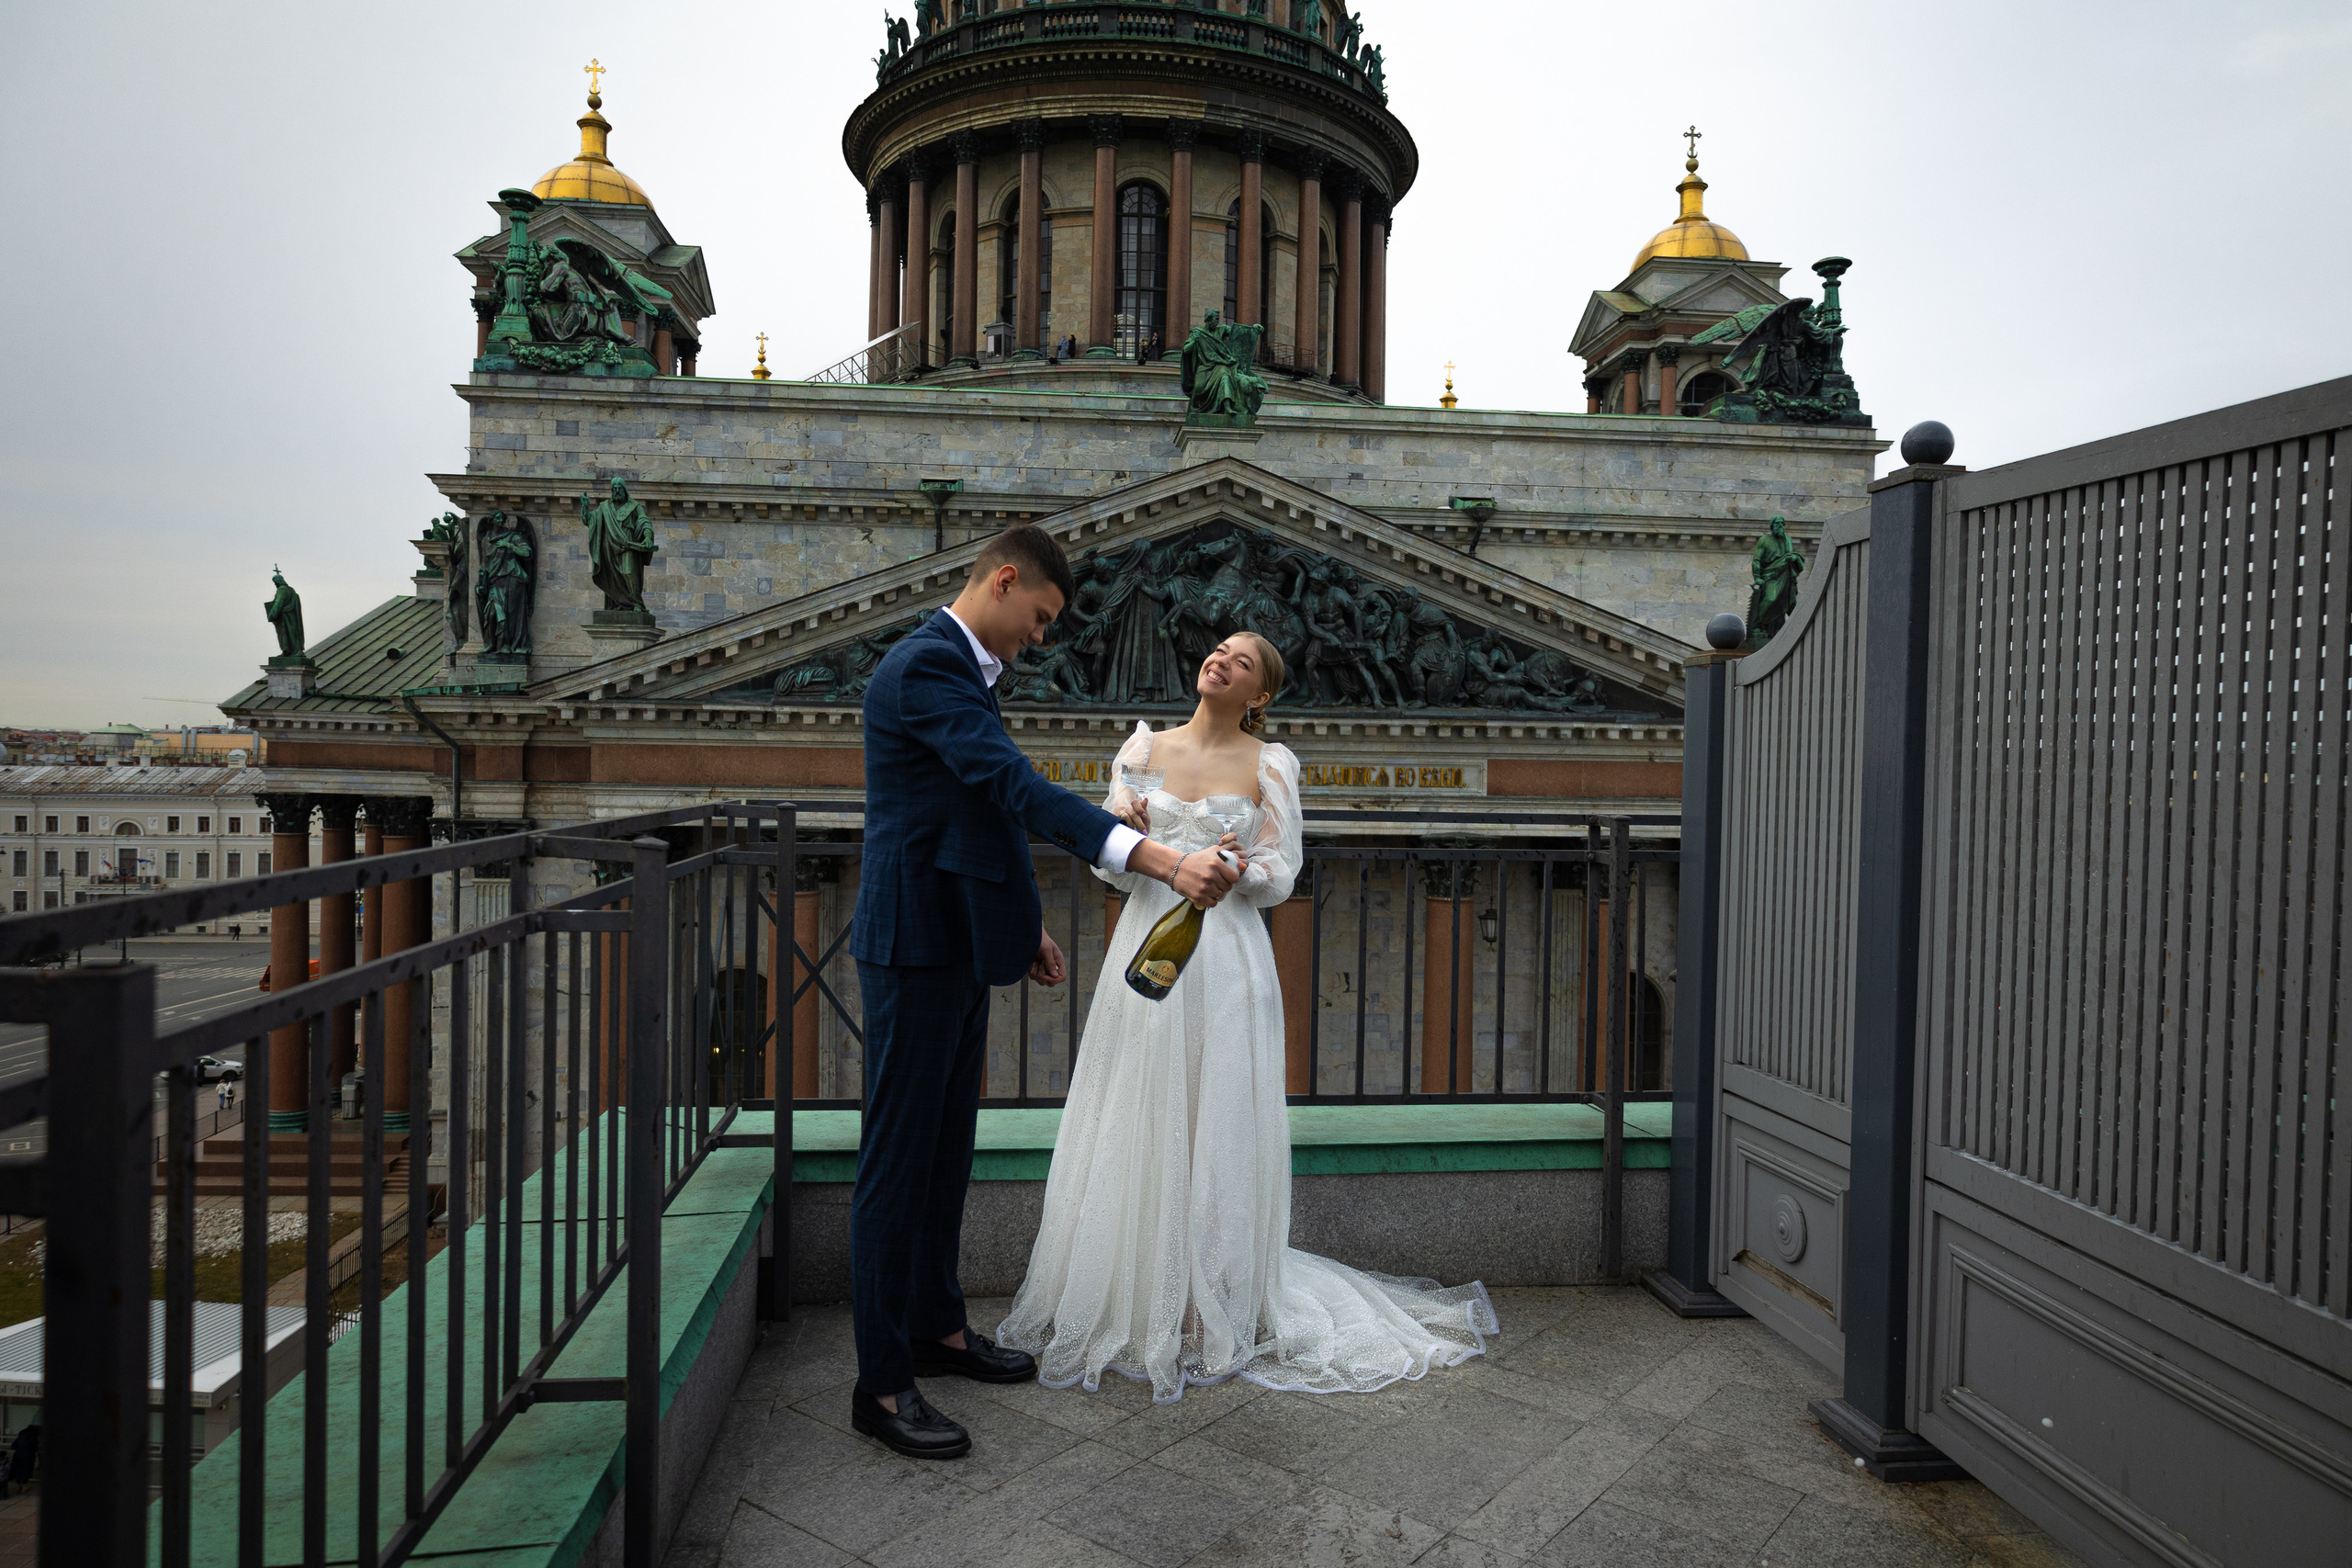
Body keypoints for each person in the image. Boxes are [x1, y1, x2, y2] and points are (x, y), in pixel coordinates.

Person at [1000, 634, 1497, 1402]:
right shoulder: (1139, 747)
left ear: (1259, 694)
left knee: (1219, 1116)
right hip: (1149, 946)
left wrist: (1236, 868)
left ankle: (1211, 1301)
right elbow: (1105, 857)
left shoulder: (1272, 764)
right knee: (1141, 1108)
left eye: (1243, 661)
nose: (1222, 660)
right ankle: (1138, 1293)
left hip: (1226, 955)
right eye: (1219, 650)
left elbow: (1280, 871)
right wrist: (1122, 816)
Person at [850, 525, 1240, 1461]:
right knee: (897, 1167)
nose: (1041, 638)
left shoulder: (961, 669)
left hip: (952, 942)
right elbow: (1009, 786)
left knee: (944, 1154)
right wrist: (1151, 856)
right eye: (1040, 617)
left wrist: (1020, 925)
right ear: (1004, 579)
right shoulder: (924, 668)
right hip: (912, 948)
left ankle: (936, 1330)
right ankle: (882, 1382)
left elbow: (973, 814)